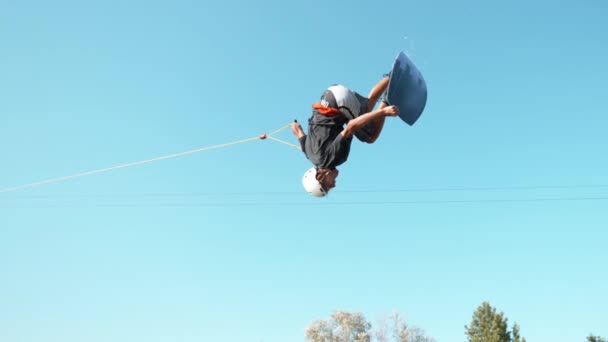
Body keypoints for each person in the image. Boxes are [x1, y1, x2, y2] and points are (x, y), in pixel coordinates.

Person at [291, 76, 400, 197]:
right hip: (331, 95)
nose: (333, 185)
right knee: (366, 110)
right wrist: (294, 124)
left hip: (339, 102)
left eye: (327, 186)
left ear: (320, 176)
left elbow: (351, 126)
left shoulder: (333, 158)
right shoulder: (309, 155)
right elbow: (296, 130)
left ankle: (387, 102)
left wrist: (384, 113)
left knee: (370, 136)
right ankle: (390, 77)